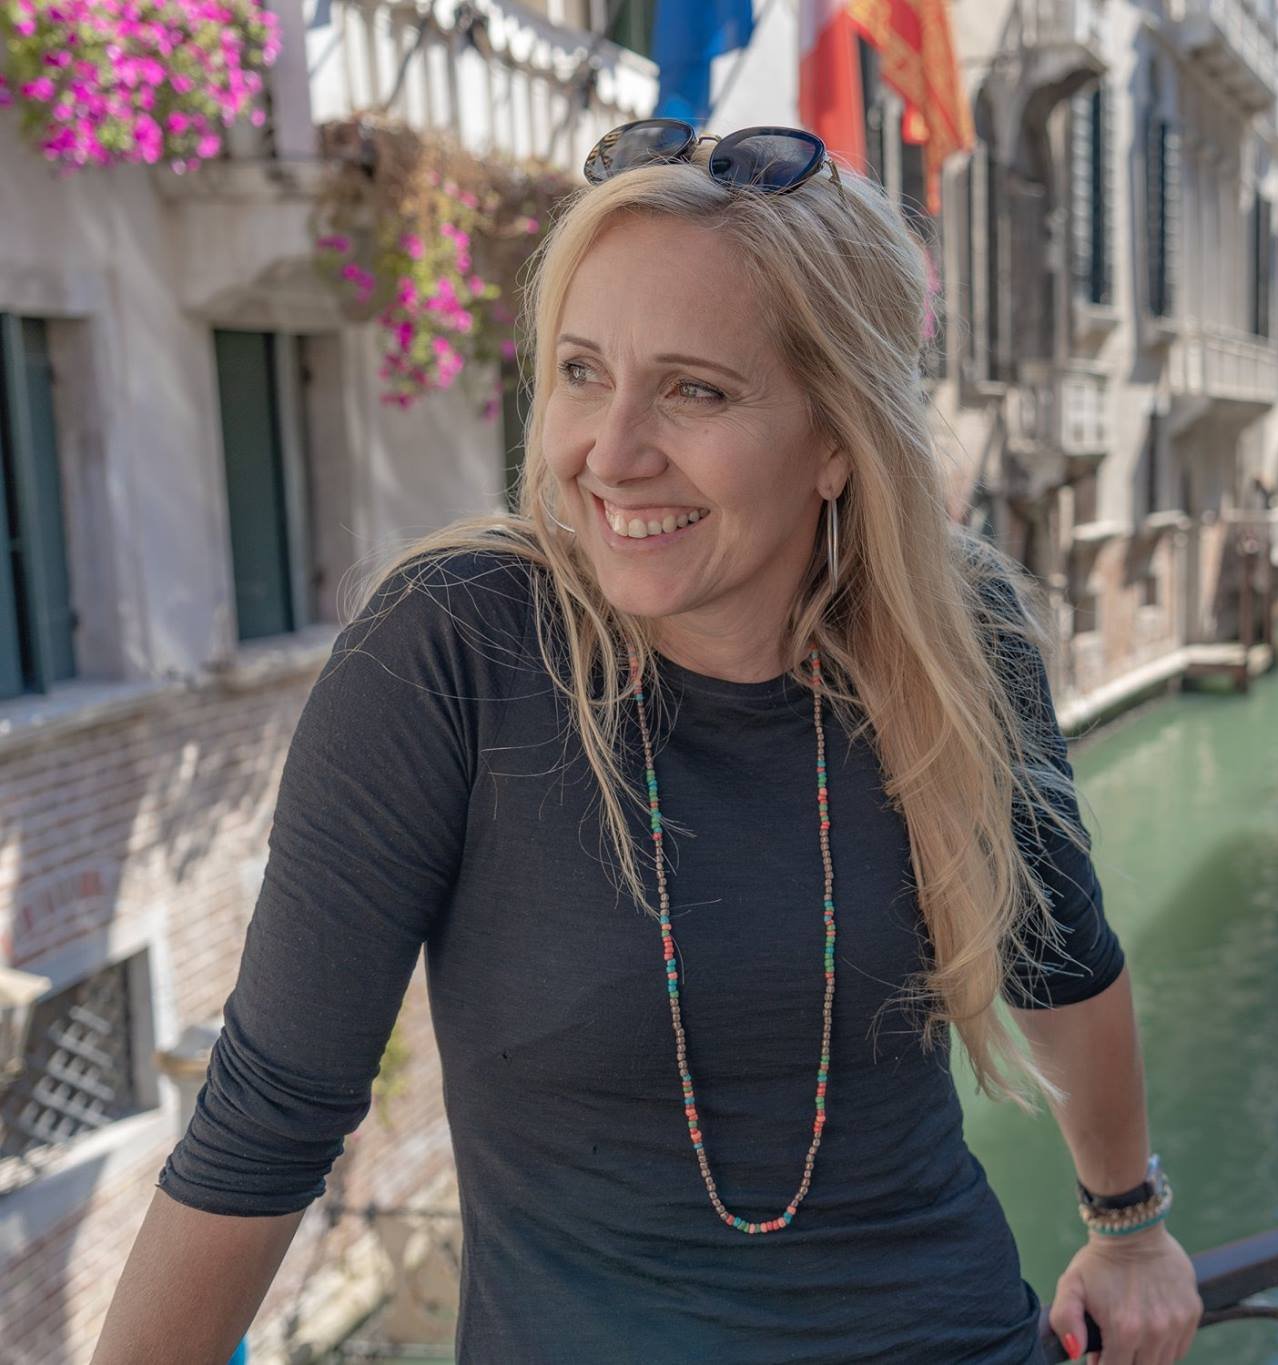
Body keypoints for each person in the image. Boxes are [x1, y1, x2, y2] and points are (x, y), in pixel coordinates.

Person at [92, 122, 1201, 1365]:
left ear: (837, 440)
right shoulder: (456, 646)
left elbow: (1060, 954)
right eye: (579, 372)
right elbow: (268, 1122)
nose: (608, 455)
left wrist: (1127, 1225)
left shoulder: (952, 633)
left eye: (694, 389)